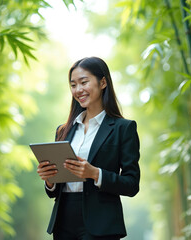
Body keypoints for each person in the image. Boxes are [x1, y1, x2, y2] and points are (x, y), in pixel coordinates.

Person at [36, 56, 140, 240]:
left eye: (84, 82)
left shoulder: (123, 128)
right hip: (63, 222)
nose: (78, 90)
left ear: (102, 82)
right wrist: (50, 180)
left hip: (101, 222)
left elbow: (132, 185)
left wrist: (95, 173)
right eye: (73, 85)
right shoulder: (63, 130)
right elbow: (54, 191)